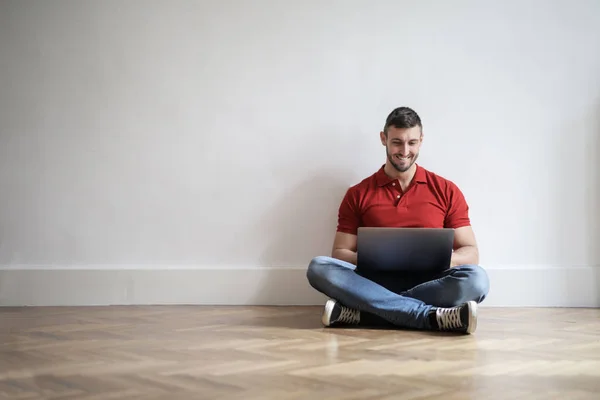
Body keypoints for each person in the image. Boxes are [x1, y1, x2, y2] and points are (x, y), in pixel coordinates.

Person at [306, 106, 490, 334]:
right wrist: (373, 260)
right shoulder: (358, 193)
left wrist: (440, 261)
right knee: (319, 267)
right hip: (374, 282)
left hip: (430, 282)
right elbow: (341, 252)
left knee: (477, 280)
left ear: (421, 141)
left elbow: (470, 251)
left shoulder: (446, 190)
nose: (404, 151)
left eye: (412, 142)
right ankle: (430, 317)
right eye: (396, 142)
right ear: (383, 139)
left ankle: (368, 311)